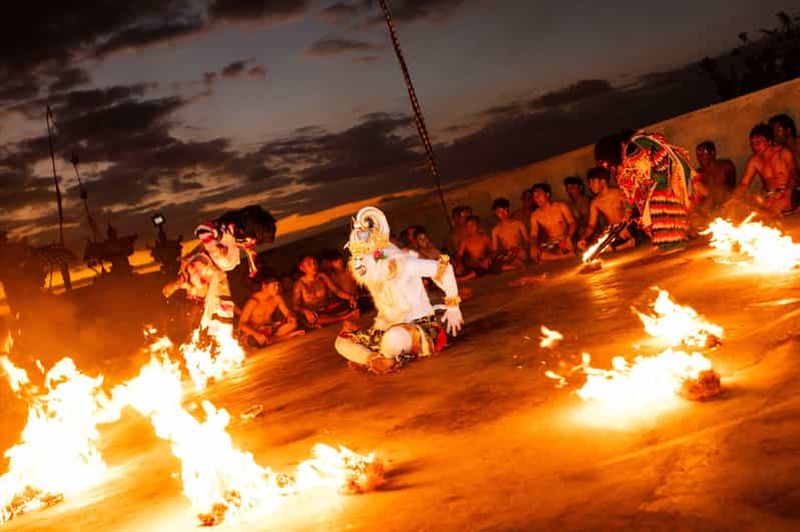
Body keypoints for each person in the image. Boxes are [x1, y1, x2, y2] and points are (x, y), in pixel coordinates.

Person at [335, 207, 463, 374]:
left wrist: (453, 305)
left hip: (416, 329)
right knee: (341, 341)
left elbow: (444, 269)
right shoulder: (371, 275)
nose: (358, 264)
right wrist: (372, 328)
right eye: (355, 258)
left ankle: (376, 357)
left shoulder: (403, 264)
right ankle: (376, 359)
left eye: (361, 257)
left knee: (393, 338)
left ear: (375, 255)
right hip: (386, 329)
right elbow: (385, 311)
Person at [163, 205, 276, 331]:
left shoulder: (240, 235)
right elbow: (202, 230)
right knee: (208, 297)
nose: (253, 242)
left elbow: (239, 244)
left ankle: (215, 335)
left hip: (214, 271)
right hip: (206, 266)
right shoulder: (226, 231)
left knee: (220, 302)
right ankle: (202, 330)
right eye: (254, 239)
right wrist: (214, 249)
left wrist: (251, 260)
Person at [595, 131, 693, 250]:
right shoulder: (622, 163)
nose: (605, 166)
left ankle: (674, 240)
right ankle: (668, 240)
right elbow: (632, 192)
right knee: (646, 211)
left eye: (604, 162)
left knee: (657, 199)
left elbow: (659, 163)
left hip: (670, 173)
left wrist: (654, 185)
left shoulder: (633, 148)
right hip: (658, 179)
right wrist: (627, 217)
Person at [733, 124, 798, 214]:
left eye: (758, 143)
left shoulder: (783, 153)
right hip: (770, 196)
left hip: (789, 192)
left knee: (774, 208)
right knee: (749, 205)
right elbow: (744, 184)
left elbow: (793, 174)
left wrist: (787, 193)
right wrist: (732, 199)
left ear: (769, 141)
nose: (754, 147)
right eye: (752, 144)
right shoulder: (754, 161)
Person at [578, 167, 634, 252]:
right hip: (612, 232)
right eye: (589, 183)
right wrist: (583, 238)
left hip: (626, 227)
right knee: (594, 245)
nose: (590, 186)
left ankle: (625, 243)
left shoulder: (619, 193)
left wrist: (623, 226)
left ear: (603, 181)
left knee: (632, 230)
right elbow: (591, 225)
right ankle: (620, 245)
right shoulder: (595, 202)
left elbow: (628, 211)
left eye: (593, 182)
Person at [292, 255, 358, 328]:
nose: (313, 266)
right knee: (315, 319)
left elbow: (337, 291)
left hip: (328, 309)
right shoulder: (299, 284)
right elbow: (295, 307)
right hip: (314, 313)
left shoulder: (322, 276)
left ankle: (336, 318)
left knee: (351, 305)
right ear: (302, 268)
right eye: (309, 265)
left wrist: (350, 297)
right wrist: (306, 312)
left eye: (315, 263)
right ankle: (345, 317)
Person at [238, 276, 303, 348]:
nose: (277, 288)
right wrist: (256, 334)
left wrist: (291, 316)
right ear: (265, 286)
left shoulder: (276, 298)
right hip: (254, 331)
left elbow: (287, 313)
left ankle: (273, 339)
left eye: (278, 285)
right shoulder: (253, 301)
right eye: (274, 285)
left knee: (293, 323)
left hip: (269, 329)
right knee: (255, 341)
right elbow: (241, 324)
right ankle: (286, 337)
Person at [529, 183, 577, 261]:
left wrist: (569, 237)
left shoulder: (560, 206)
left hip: (565, 239)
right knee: (536, 254)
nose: (536, 198)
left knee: (569, 246)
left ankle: (558, 256)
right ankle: (564, 256)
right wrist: (533, 246)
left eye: (539, 195)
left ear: (547, 195)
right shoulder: (535, 215)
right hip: (552, 243)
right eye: (534, 197)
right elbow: (533, 235)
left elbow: (572, 223)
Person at [692, 141, 737, 211]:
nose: (699, 157)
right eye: (698, 154)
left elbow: (732, 188)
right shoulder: (697, 173)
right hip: (707, 208)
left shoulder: (726, 166)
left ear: (712, 153)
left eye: (703, 153)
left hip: (726, 204)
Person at [490, 198, 528, 270]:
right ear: (495, 213)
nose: (503, 214)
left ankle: (516, 266)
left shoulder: (518, 224)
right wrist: (490, 258)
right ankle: (515, 267)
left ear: (508, 209)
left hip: (520, 252)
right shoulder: (496, 230)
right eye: (499, 212)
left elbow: (527, 240)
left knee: (519, 257)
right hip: (507, 254)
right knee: (493, 263)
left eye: (504, 210)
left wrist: (521, 249)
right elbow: (494, 249)